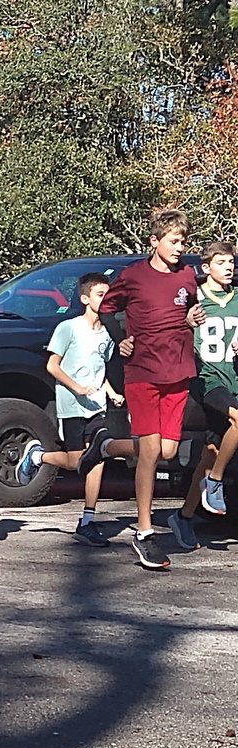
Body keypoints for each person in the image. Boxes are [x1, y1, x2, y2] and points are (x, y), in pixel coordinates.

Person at [78, 209, 199, 569]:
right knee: (149, 451)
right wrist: (121, 339)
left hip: (178, 370)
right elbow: (107, 308)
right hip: (143, 371)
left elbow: (190, 309)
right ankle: (144, 532)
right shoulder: (133, 277)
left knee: (167, 449)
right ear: (154, 242)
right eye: (173, 241)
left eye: (183, 241)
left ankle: (103, 447)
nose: (179, 248)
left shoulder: (187, 276)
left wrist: (193, 317)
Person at [14, 273, 127, 546]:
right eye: (100, 295)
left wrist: (112, 393)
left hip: (97, 404)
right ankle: (38, 457)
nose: (106, 300)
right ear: (85, 298)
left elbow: (101, 369)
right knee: (78, 461)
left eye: (108, 295)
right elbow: (52, 366)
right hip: (72, 404)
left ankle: (87, 520)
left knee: (98, 457)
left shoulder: (109, 334)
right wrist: (76, 387)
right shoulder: (69, 328)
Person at [165, 241, 238, 550]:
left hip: (233, 379)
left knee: (210, 451)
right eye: (222, 262)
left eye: (232, 262)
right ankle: (216, 482)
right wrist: (185, 323)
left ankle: (183, 516)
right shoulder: (194, 300)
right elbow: (172, 331)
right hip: (208, 380)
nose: (230, 267)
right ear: (206, 268)